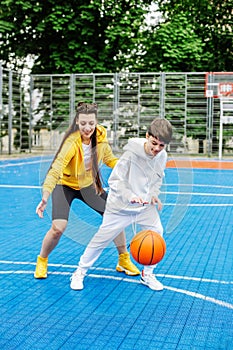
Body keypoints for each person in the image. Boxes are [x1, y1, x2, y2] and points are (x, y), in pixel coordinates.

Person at [34, 102, 140, 279]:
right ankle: (42, 260)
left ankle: (123, 259)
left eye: (91, 123)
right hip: (65, 185)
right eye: (83, 123)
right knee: (58, 228)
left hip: (88, 186)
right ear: (77, 122)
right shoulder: (71, 142)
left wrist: (127, 168)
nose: (87, 127)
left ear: (96, 122)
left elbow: (109, 159)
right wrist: (45, 196)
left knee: (114, 217)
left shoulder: (100, 137)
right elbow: (56, 168)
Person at [70, 117, 173, 291]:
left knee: (158, 232)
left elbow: (157, 178)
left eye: (161, 146)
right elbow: (115, 181)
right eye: (154, 143)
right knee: (100, 240)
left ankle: (147, 274)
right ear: (147, 136)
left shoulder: (162, 156)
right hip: (119, 207)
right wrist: (129, 195)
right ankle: (79, 272)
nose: (156, 149)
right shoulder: (131, 155)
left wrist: (154, 194)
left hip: (144, 206)